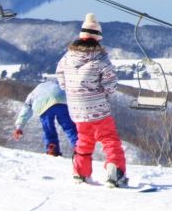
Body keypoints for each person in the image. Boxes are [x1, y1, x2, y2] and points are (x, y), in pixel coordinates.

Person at [55, 13, 129, 188]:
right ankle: (115, 172)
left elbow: (61, 77)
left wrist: (73, 91)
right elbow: (110, 83)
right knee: (109, 138)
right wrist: (103, 93)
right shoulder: (100, 58)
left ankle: (80, 173)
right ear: (98, 38)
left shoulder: (67, 57)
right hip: (97, 107)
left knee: (84, 138)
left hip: (76, 108)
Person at [13, 76, 78, 157]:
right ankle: (78, 147)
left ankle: (52, 148)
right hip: (61, 98)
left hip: (42, 104)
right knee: (69, 127)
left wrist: (19, 127)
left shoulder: (33, 92)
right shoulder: (57, 84)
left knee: (48, 129)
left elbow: (26, 108)